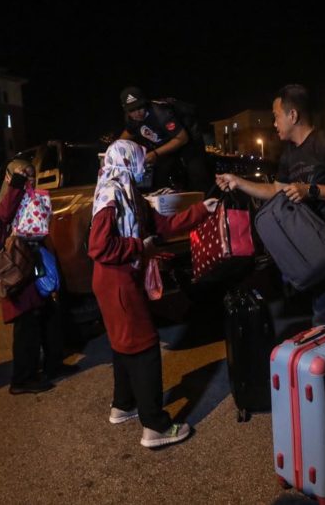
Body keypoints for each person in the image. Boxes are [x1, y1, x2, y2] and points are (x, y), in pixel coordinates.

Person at [88, 139, 218, 449]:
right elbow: (98, 247)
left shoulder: (129, 192)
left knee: (123, 344)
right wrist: (138, 247)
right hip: (117, 282)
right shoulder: (112, 194)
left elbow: (163, 225)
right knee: (144, 347)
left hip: (114, 280)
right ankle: (155, 426)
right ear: (126, 160)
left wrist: (202, 209)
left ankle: (123, 405)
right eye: (141, 161)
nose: (146, 166)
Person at [215, 84, 325, 327]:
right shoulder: (289, 154)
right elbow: (277, 191)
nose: (274, 123)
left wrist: (312, 191)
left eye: (276, 116)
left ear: (293, 115)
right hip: (316, 251)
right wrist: (238, 182)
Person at [0, 159, 77, 395]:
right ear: (9, 178)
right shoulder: (5, 201)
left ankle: (53, 365)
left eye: (30, 175)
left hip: (33, 262)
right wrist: (17, 184)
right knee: (25, 324)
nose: (28, 180)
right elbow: (6, 215)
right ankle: (22, 379)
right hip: (17, 268)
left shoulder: (29, 197)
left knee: (49, 315)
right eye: (21, 175)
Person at [118, 86, 213, 192]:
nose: (137, 113)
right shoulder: (132, 118)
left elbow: (182, 139)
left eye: (140, 107)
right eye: (132, 110)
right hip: (167, 142)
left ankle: (207, 202)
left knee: (197, 175)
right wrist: (113, 149)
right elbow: (127, 134)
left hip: (188, 140)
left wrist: (155, 154)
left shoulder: (161, 114)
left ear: (145, 103)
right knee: (160, 177)